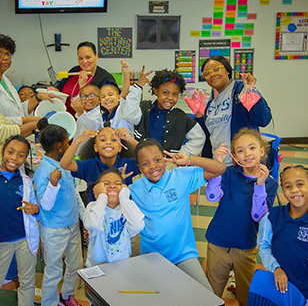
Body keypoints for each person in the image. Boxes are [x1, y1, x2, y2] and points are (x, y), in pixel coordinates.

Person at [129, 138, 226, 291]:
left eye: (157, 160)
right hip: (151, 257)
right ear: (139, 167)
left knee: (207, 297)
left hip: (183, 254)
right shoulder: (135, 188)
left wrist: (189, 160)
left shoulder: (180, 176)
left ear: (165, 159)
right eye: (146, 163)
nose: (153, 166)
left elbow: (219, 169)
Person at [205, 128, 278, 306]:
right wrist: (217, 166)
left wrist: (259, 185)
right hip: (218, 243)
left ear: (262, 151)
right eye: (240, 150)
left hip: (245, 247)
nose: (247, 153)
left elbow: (258, 215)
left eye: (252, 148)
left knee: (247, 295)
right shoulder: (228, 173)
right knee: (211, 292)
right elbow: (212, 196)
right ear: (235, 155)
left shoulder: (269, 183)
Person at [33, 118, 85, 306]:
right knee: (53, 270)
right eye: (66, 142)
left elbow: (74, 193)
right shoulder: (43, 171)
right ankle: (49, 303)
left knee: (75, 264)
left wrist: (84, 217)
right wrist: (53, 184)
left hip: (72, 225)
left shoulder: (65, 164)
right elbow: (45, 205)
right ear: (59, 146)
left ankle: (66, 296)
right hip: (54, 229)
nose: (69, 144)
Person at [0, 135, 40, 306]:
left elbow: (35, 207)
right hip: (1, 242)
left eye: (21, 155)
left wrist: (35, 209)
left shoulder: (25, 181)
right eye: (10, 152)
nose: (14, 158)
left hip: (25, 240)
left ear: (25, 159)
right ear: (2, 151)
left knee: (27, 281)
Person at [188, 55, 272, 165]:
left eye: (216, 69)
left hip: (243, 164)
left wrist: (251, 94)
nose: (212, 74)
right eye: (207, 73)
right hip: (219, 164)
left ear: (227, 70)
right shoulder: (210, 102)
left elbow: (263, 119)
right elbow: (209, 136)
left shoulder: (240, 89)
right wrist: (199, 116)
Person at [0, 34, 60, 125]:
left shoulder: (4, 80)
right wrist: (25, 121)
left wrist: (38, 97)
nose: (6, 58)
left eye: (8, 54)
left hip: (13, 133)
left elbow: (18, 110)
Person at [258, 165, 308, 301]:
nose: (295, 190)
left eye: (300, 184)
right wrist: (276, 269)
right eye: (288, 186)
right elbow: (264, 246)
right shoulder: (272, 216)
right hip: (278, 287)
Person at [134, 69, 205, 156]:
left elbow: (199, 137)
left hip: (168, 163)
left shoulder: (181, 116)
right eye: (165, 93)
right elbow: (129, 114)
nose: (170, 98)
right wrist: (138, 86)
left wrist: (181, 153)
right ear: (155, 91)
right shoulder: (144, 108)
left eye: (175, 94)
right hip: (143, 159)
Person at [83, 168, 144, 267]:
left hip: (122, 268)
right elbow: (94, 225)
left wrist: (124, 198)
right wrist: (102, 196)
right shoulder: (92, 207)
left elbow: (138, 226)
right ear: (97, 189)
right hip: (96, 269)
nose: (112, 186)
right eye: (106, 184)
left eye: (118, 183)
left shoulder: (127, 209)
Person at [60, 126, 139, 202]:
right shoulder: (89, 165)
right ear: (96, 148)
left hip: (123, 212)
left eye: (114, 140)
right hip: (96, 212)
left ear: (120, 148)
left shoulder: (128, 163)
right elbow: (65, 164)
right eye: (103, 140)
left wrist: (130, 139)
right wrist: (78, 141)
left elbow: (149, 156)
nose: (108, 142)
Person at [55, 41, 116, 116]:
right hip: (64, 117)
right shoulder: (74, 70)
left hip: (88, 122)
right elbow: (60, 88)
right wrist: (55, 91)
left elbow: (108, 107)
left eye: (88, 57)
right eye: (80, 58)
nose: (84, 61)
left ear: (96, 56)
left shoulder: (106, 79)